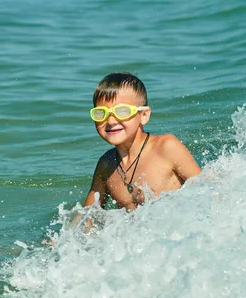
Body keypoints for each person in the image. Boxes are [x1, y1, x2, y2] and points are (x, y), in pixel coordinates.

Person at [84, 72, 201, 211]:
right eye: (100, 113)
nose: (110, 121)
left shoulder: (166, 147)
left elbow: (208, 190)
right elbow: (87, 216)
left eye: (122, 111)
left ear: (144, 115)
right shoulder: (106, 165)